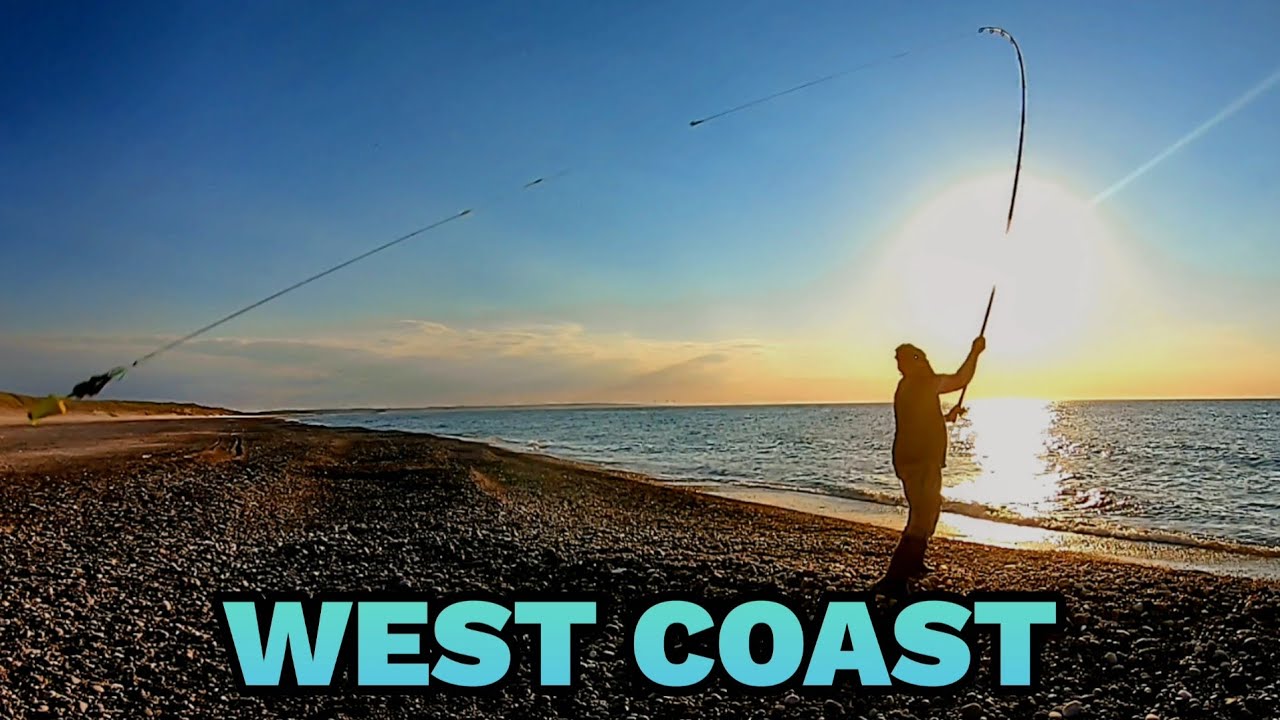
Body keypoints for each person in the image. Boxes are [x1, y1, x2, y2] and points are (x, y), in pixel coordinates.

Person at [873, 336, 985, 595]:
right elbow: (961, 379)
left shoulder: (909, 386)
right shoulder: (920, 383)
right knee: (921, 517)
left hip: (915, 458)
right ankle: (894, 579)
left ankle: (914, 565)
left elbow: (921, 420)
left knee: (929, 509)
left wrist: (946, 417)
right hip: (918, 460)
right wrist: (975, 352)